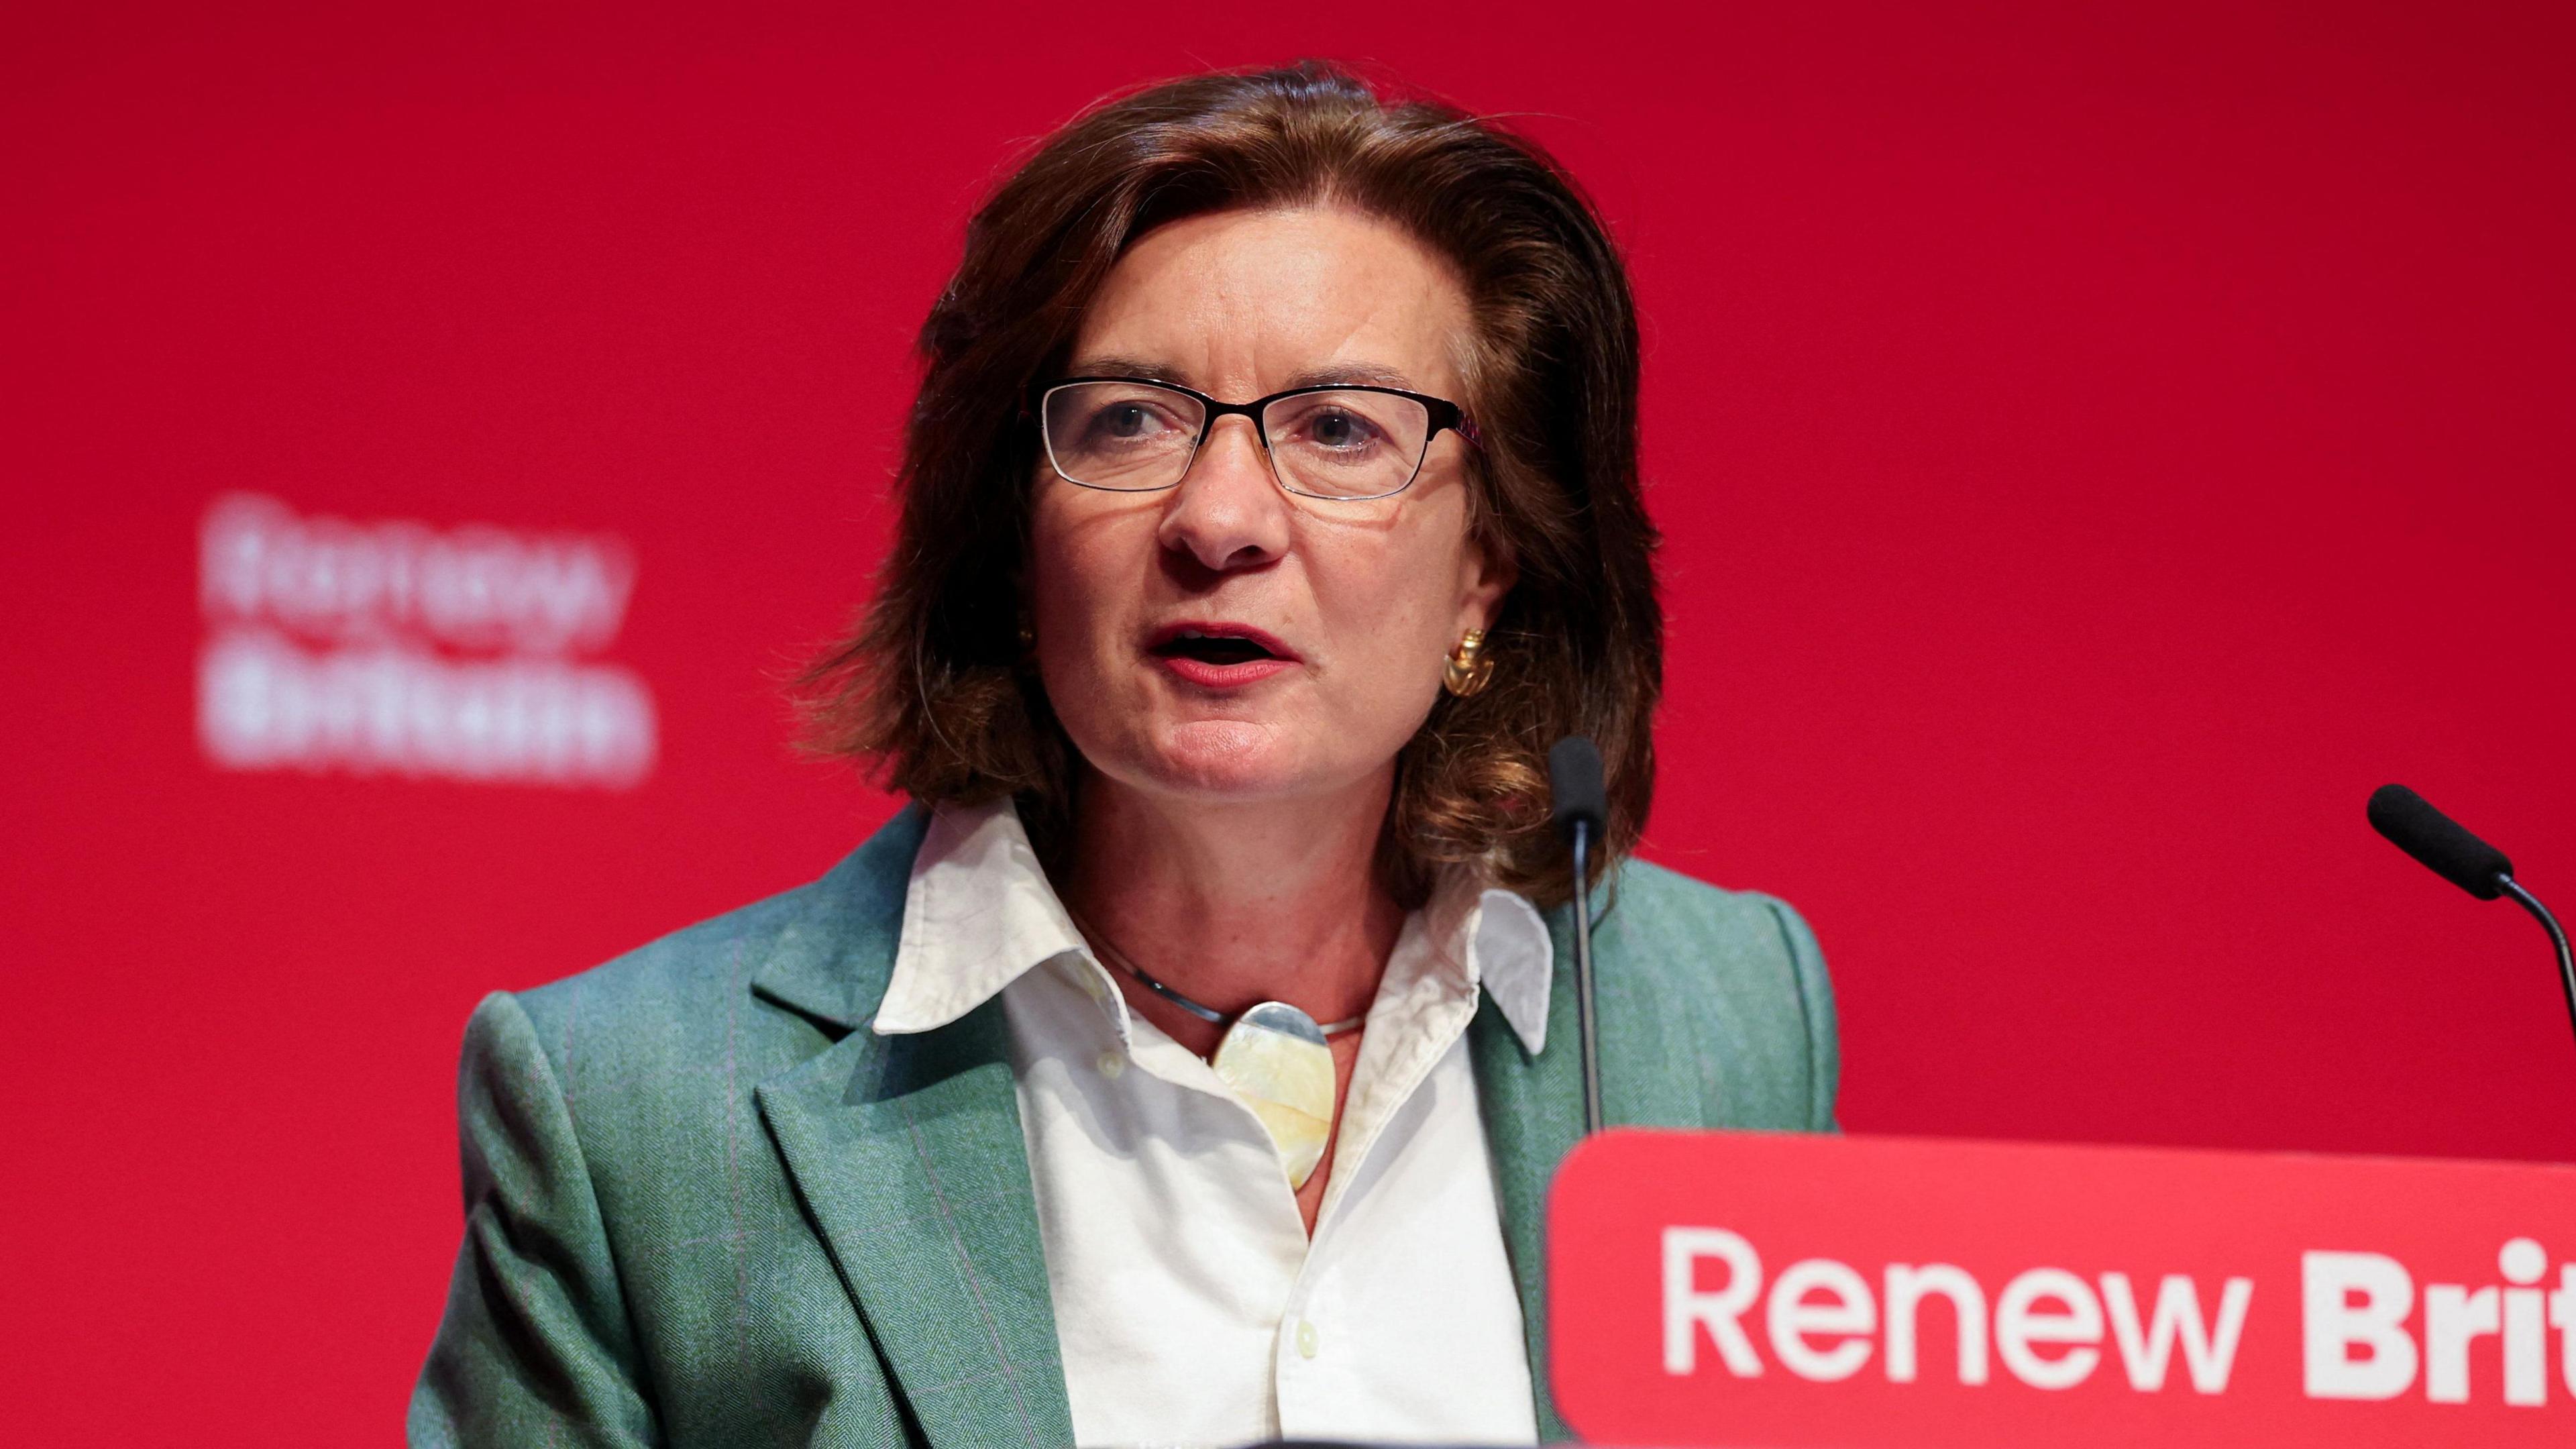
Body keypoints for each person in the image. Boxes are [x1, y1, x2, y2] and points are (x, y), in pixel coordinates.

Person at [410, 60, 1837, 1448]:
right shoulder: (640, 1107)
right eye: (1131, 421)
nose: (1220, 519)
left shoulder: (1718, 1023)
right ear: (1017, 546)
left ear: (1491, 567)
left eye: (1340, 429)